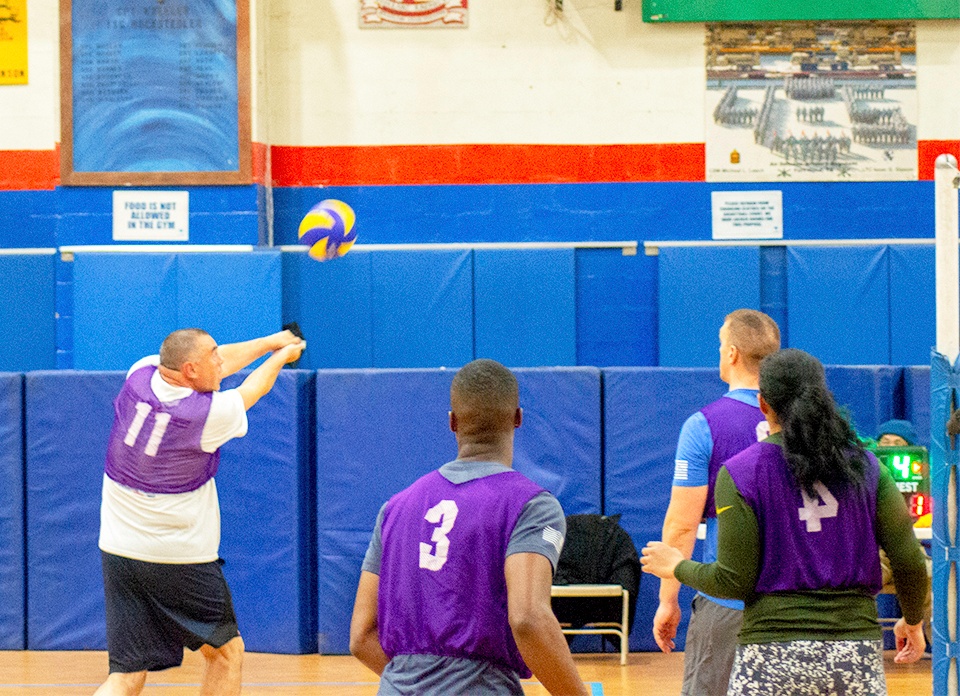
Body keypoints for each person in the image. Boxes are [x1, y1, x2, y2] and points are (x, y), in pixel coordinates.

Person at [641, 349, 929, 696]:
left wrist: (677, 567)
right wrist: (913, 620)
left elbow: (734, 580)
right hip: (854, 653)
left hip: (771, 655)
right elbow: (910, 562)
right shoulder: (868, 467)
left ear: (763, 404)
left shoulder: (741, 473)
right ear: (824, 397)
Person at [349, 358, 588, 696]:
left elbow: (361, 637)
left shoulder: (395, 508)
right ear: (518, 418)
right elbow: (528, 619)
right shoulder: (531, 505)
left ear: (452, 422)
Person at [94, 327, 306, 696]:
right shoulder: (206, 415)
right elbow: (253, 389)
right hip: (177, 558)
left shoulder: (141, 373)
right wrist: (281, 357)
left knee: (126, 675)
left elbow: (214, 366)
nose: (221, 360)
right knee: (225, 653)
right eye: (214, 355)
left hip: (118, 550)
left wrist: (273, 340)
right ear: (190, 370)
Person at [653, 308, 780, 696]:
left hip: (727, 601)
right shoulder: (806, 421)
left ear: (732, 353)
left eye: (721, 343)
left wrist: (667, 599)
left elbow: (682, 524)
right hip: (793, 606)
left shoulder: (705, 424)